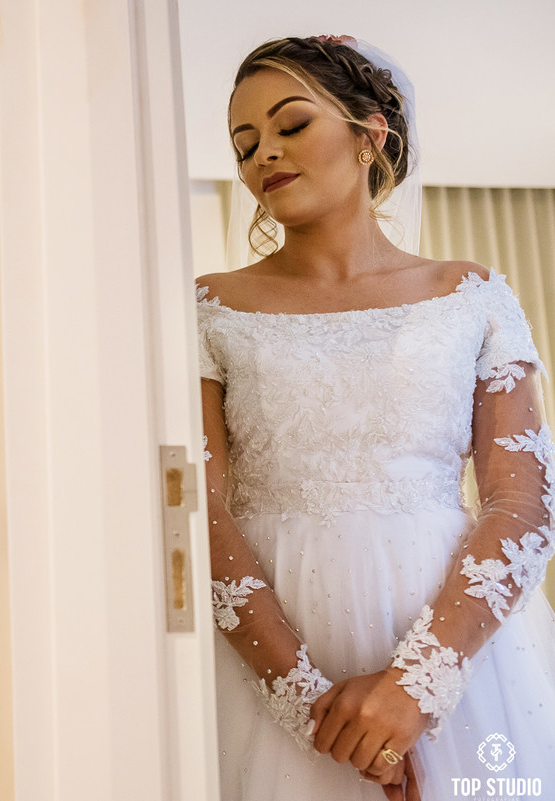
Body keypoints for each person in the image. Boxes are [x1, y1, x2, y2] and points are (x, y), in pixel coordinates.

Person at [197, 36, 555, 801]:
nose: (265, 154)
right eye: (245, 142)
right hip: (266, 656)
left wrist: (417, 685)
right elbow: (197, 511)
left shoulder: (474, 296)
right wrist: (306, 703)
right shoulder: (208, 307)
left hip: (456, 648)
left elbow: (523, 505)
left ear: (370, 136)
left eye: (291, 125)